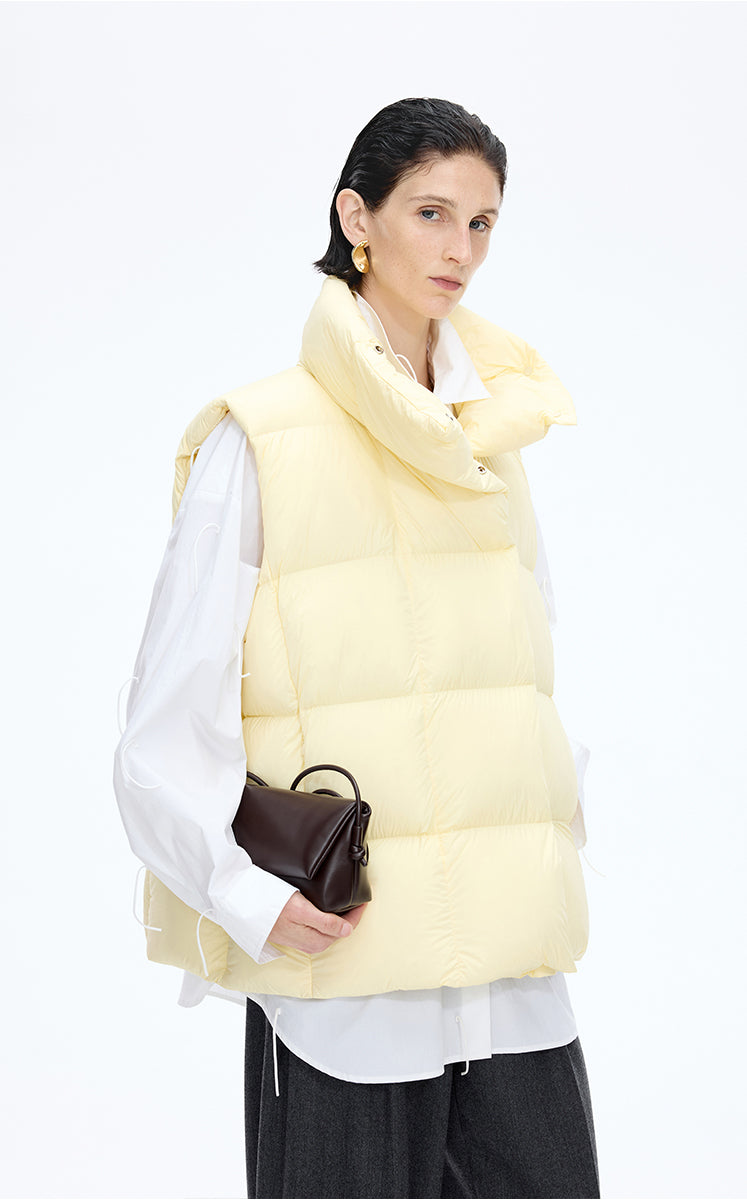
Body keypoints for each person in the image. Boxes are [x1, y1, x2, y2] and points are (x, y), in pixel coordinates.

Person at [114, 97, 600, 1199]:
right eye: (431, 212)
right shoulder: (261, 438)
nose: (459, 248)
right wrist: (242, 897)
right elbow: (166, 718)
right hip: (350, 981)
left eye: (481, 222)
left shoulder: (495, 441)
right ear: (356, 218)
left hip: (511, 968)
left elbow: (524, 671)